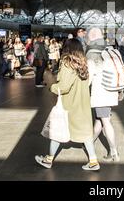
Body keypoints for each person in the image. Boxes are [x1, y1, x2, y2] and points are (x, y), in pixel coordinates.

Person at [35, 39, 99, 170]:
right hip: (83, 103)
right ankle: (93, 162)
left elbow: (64, 86)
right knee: (86, 132)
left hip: (69, 105)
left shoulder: (67, 62)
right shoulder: (84, 62)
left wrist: (52, 87)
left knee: (58, 130)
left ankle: (48, 160)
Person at [86, 28, 120, 162]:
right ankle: (89, 143)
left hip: (100, 92)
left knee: (105, 121)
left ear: (93, 36)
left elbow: (90, 73)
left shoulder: (92, 52)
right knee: (99, 120)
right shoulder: (110, 49)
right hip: (111, 90)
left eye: (88, 37)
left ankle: (114, 152)